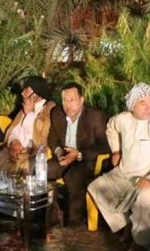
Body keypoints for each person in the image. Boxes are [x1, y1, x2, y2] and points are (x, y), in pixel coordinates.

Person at [87, 83, 150, 251]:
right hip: (123, 173)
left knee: (144, 198)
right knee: (95, 187)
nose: (148, 106)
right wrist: (116, 150)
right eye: (142, 102)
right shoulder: (123, 119)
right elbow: (111, 127)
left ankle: (141, 242)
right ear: (132, 105)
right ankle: (127, 224)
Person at [46, 82, 110, 226]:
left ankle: (74, 223)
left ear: (81, 100)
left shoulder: (95, 117)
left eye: (72, 100)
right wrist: (59, 152)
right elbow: (52, 137)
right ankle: (51, 217)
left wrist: (79, 154)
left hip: (86, 159)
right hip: (63, 156)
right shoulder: (57, 113)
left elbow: (105, 146)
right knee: (43, 170)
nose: (68, 105)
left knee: (74, 176)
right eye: (64, 100)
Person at [0, 76, 55, 175]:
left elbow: (39, 137)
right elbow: (14, 130)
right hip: (12, 150)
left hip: (32, 153)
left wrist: (29, 113)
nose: (23, 93)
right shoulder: (24, 107)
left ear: (36, 94)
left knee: (21, 167)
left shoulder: (49, 110)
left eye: (26, 90)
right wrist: (14, 142)